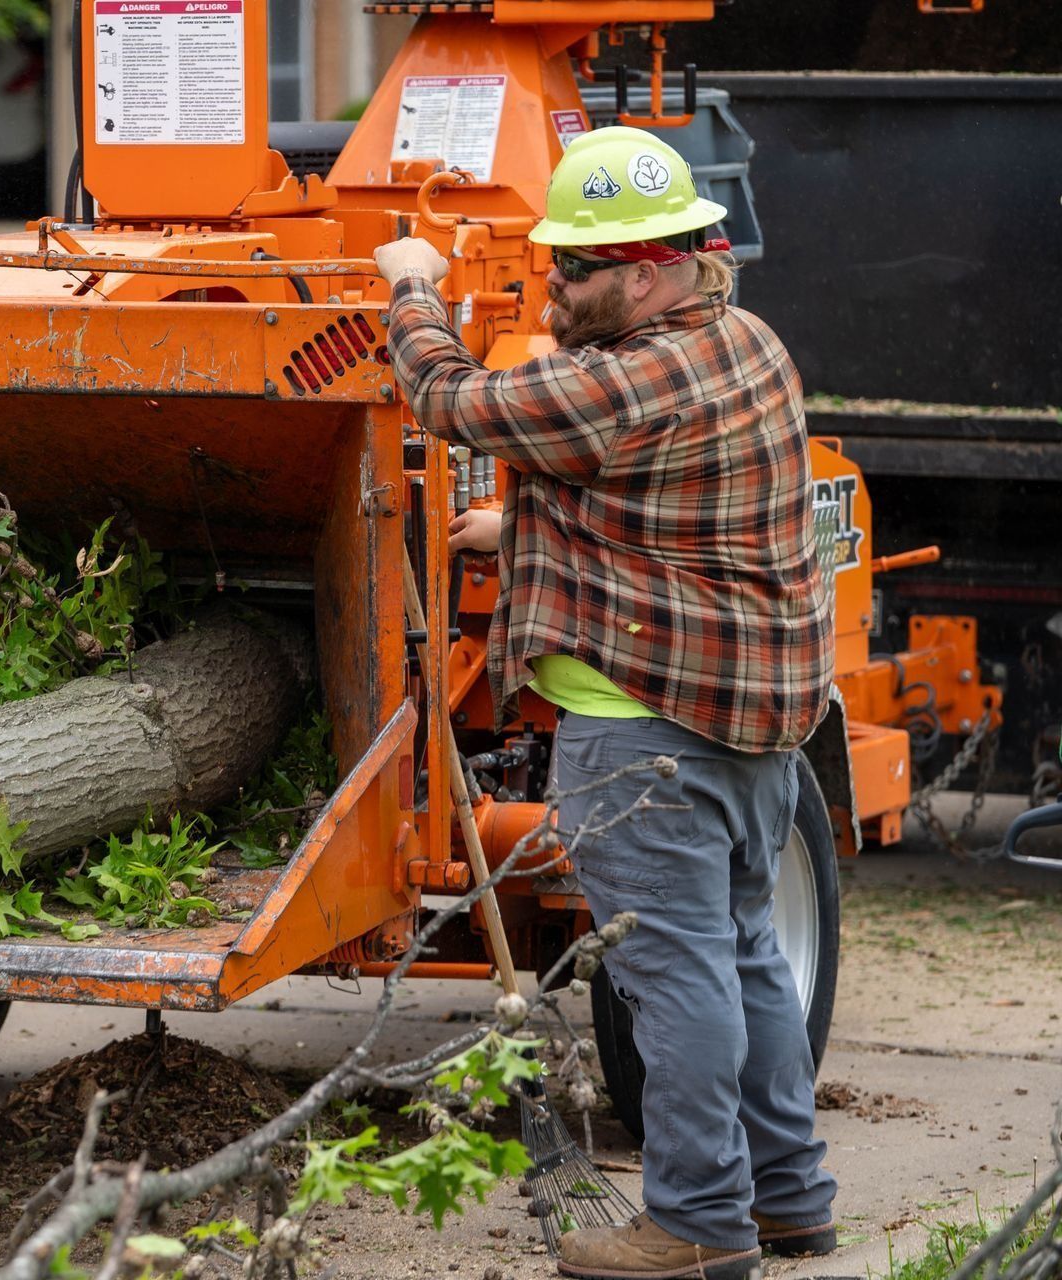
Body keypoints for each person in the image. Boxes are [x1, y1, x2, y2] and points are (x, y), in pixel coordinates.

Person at [373, 126, 838, 1280]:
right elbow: (651, 499)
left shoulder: (618, 378)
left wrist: (415, 287)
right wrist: (518, 526)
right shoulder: (747, 343)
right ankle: (789, 1198)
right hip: (754, 720)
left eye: (574, 270)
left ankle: (696, 1223)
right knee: (743, 956)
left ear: (646, 267)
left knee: (671, 974)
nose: (555, 286)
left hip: (643, 732)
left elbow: (448, 396)